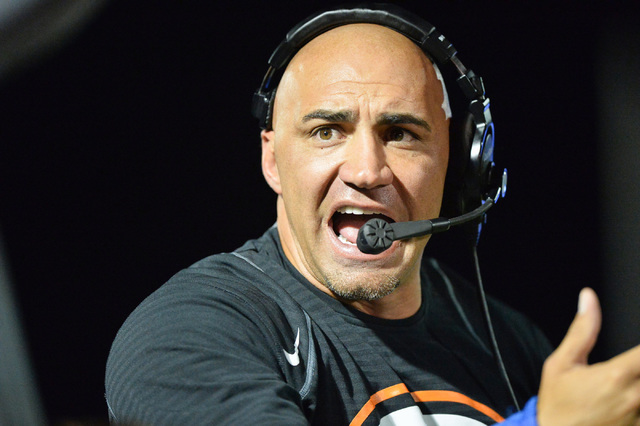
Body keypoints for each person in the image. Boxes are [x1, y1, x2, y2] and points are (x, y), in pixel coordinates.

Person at [105, 4, 640, 425]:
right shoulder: (188, 332)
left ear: (456, 165)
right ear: (272, 159)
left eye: (400, 133)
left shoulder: (511, 342)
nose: (366, 170)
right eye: (327, 131)